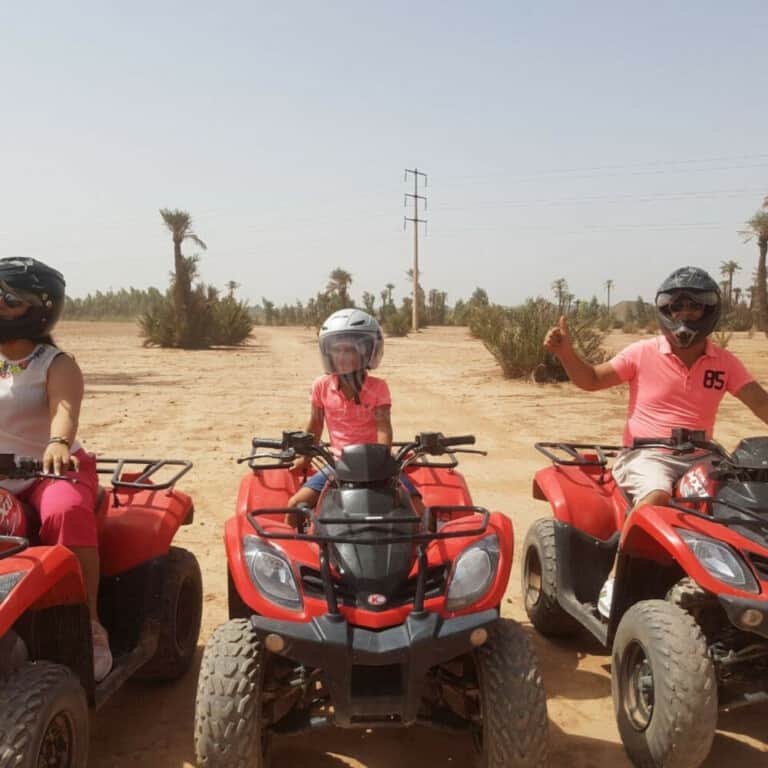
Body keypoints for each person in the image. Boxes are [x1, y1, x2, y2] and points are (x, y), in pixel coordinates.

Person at [544, 265, 768, 618]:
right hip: (648, 455)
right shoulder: (642, 353)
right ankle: (617, 578)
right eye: (676, 306)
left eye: (693, 306)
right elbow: (590, 379)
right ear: (665, 310)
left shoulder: (724, 363)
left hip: (702, 457)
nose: (684, 314)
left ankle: (732, 587)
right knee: (659, 495)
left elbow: (761, 404)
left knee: (742, 503)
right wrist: (566, 353)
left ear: (709, 310)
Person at [0, 257, 111, 680]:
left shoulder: (55, 363)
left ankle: (90, 622)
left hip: (52, 469)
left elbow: (64, 410)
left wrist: (57, 443)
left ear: (39, 308)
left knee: (63, 512)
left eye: (8, 298)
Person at [287, 308, 422, 516]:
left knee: (416, 509)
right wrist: (304, 458)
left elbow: (383, 429)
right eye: (336, 350)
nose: (342, 357)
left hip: (375, 464)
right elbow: (315, 425)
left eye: (349, 350)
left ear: (367, 352)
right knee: (294, 505)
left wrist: (382, 460)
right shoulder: (321, 386)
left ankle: (423, 548)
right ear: (328, 353)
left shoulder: (378, 387)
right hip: (338, 464)